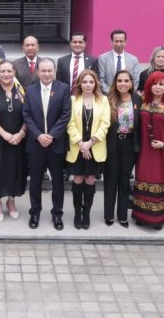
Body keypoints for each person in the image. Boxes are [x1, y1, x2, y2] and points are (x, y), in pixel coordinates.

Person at [23, 57, 71, 230]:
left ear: (55, 71)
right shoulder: (30, 90)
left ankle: (57, 214)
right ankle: (35, 213)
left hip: (56, 144)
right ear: (37, 72)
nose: (46, 74)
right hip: (36, 144)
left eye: (50, 70)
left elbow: (66, 114)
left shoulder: (63, 89)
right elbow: (26, 115)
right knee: (35, 181)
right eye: (43, 70)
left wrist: (50, 135)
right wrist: (38, 135)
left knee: (58, 182)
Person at [132, 71, 164, 229]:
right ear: (149, 85)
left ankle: (156, 218)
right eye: (154, 84)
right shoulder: (143, 101)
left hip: (162, 150)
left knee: (158, 179)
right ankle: (140, 215)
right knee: (142, 177)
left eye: (161, 84)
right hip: (144, 149)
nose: (158, 87)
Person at [0, 60, 27, 222]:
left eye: (9, 71)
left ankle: (11, 201)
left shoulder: (22, 91)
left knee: (15, 169)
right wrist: (4, 134)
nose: (6, 74)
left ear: (14, 73)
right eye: (3, 71)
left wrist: (21, 133)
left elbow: (29, 115)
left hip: (17, 140)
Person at [67, 69, 111, 230]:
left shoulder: (103, 100)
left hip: (95, 147)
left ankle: (86, 214)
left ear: (95, 83)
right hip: (77, 147)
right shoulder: (72, 100)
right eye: (84, 82)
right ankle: (77, 213)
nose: (88, 85)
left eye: (91, 82)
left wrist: (89, 144)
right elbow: (69, 123)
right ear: (80, 83)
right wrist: (81, 144)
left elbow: (105, 124)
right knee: (78, 179)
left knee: (90, 180)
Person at [104, 70, 142, 228]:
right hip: (112, 144)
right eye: (120, 80)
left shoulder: (138, 99)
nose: (123, 84)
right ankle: (108, 215)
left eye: (126, 80)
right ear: (115, 83)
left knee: (125, 180)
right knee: (111, 180)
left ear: (131, 83)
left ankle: (122, 216)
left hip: (130, 145)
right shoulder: (108, 99)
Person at [98, 29, 140, 93]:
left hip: (127, 95)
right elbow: (101, 80)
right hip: (109, 95)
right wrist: (111, 93)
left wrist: (126, 93)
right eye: (116, 41)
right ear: (111, 42)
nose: (119, 44)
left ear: (125, 42)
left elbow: (136, 80)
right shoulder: (103, 58)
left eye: (121, 41)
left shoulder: (133, 60)